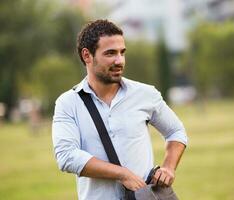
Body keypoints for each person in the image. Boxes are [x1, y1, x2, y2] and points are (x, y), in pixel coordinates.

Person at [52, 19, 188, 200]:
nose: (119, 60)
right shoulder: (68, 103)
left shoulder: (145, 94)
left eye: (122, 53)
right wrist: (122, 174)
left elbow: (176, 131)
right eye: (110, 53)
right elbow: (66, 156)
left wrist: (168, 167)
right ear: (87, 55)